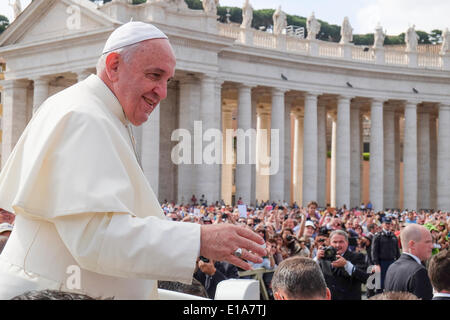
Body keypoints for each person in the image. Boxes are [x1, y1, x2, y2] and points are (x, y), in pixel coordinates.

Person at [0, 22, 265, 300]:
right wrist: (200, 238)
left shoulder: (97, 111)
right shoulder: (84, 117)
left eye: (167, 81)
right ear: (114, 66)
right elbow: (95, 238)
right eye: (154, 75)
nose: (162, 92)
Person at [315, 230, 370, 300]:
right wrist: (316, 259)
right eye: (335, 242)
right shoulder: (323, 258)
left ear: (347, 243)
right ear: (330, 243)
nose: (338, 245)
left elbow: (366, 278)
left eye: (341, 242)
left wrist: (346, 265)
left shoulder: (358, 256)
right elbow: (310, 276)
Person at [384, 224, 433, 300]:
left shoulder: (392, 267)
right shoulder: (419, 271)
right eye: (427, 242)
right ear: (412, 244)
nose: (432, 246)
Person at [371, 217, 400, 292]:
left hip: (392, 262)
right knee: (380, 285)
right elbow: (374, 251)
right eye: (386, 223)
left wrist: (399, 262)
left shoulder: (393, 236)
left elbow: (397, 251)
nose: (387, 225)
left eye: (389, 223)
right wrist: (376, 264)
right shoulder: (378, 236)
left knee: (391, 283)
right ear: (383, 224)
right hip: (381, 263)